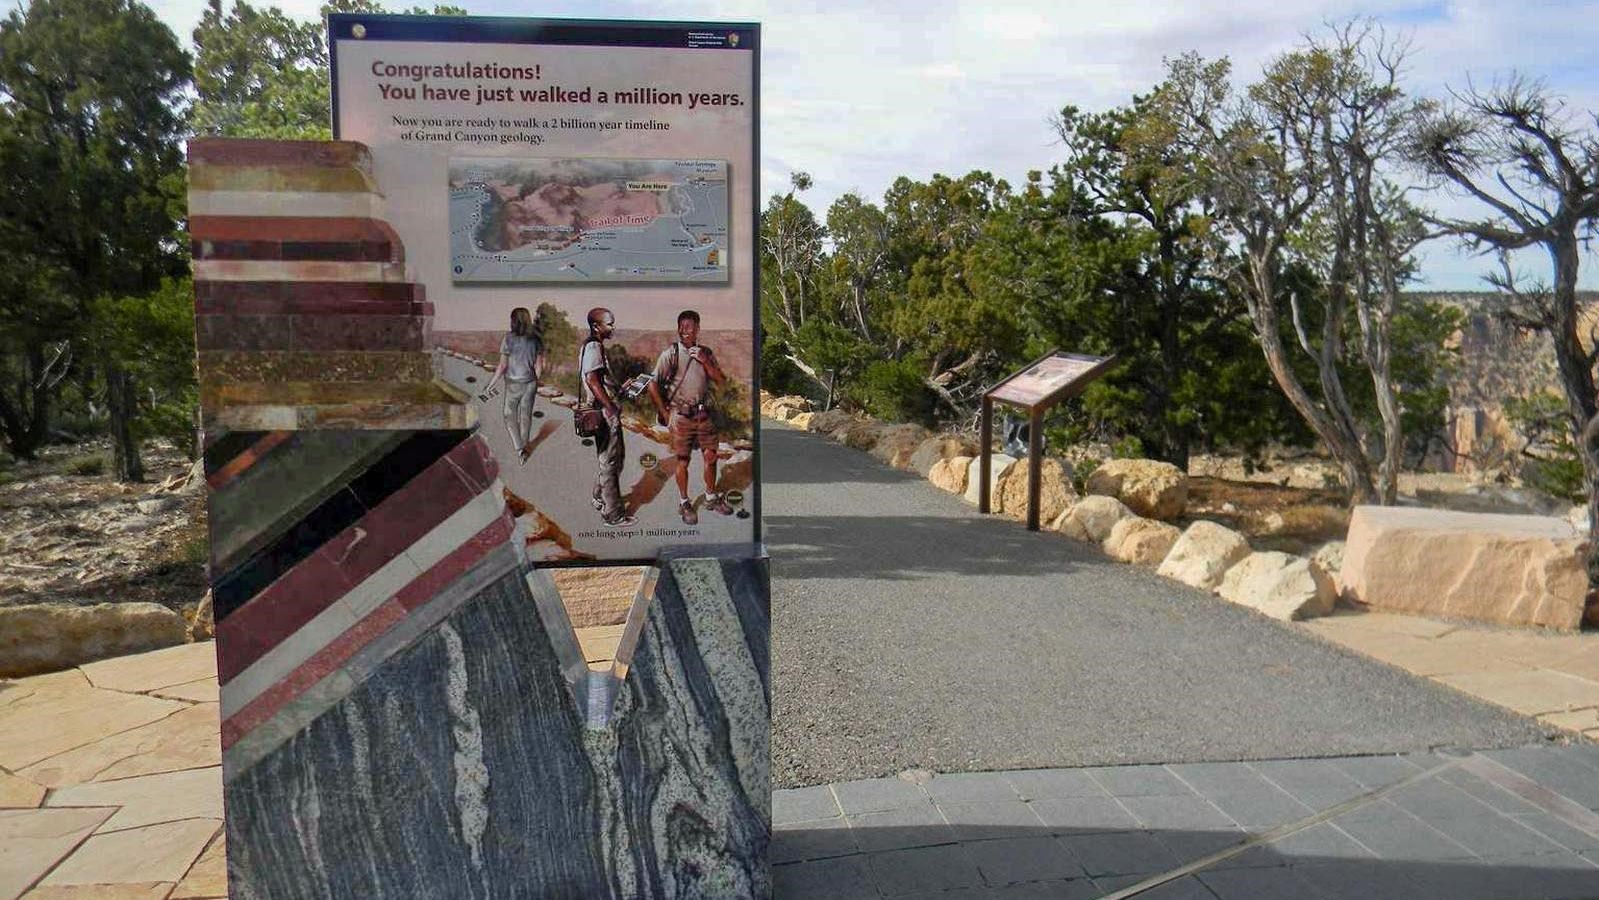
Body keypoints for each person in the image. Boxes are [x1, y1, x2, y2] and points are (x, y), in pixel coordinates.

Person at [647, 309, 732, 526]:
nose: (686, 330)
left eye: (690, 326)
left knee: (711, 456)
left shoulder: (706, 352)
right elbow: (652, 384)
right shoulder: (670, 354)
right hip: (681, 415)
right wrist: (665, 413)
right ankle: (684, 502)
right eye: (682, 326)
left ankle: (711, 497)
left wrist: (705, 361)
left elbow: (721, 381)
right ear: (678, 328)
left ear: (697, 329)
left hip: (704, 413)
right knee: (682, 460)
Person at [580, 307, 635, 527]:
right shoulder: (594, 346)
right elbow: (593, 380)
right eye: (609, 323)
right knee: (611, 463)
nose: (613, 327)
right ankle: (614, 515)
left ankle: (598, 497)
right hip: (603, 411)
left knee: (609, 459)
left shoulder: (593, 346)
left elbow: (600, 380)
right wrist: (610, 406)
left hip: (603, 407)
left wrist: (620, 388)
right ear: (596, 326)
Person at [483, 306, 546, 465]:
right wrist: (535, 381)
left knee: (508, 416)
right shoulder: (536, 339)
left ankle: (519, 448)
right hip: (530, 382)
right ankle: (524, 448)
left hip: (513, 383)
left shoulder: (508, 338)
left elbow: (502, 366)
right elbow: (539, 366)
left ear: (514, 321)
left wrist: (490, 385)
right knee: (525, 416)